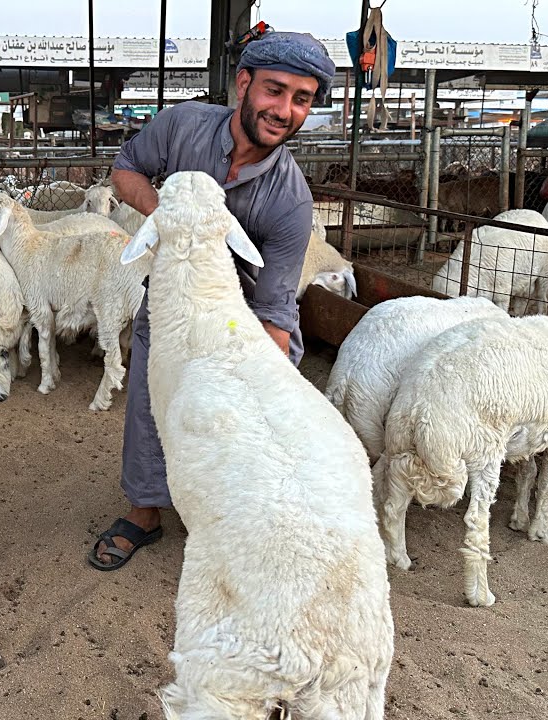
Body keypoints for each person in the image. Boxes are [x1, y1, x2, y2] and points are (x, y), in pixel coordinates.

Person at [88, 32, 337, 570]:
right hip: (172, 306)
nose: (285, 111)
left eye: (302, 99)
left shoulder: (290, 200)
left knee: (239, 418)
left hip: (239, 322)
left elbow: (275, 309)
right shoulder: (183, 126)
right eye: (275, 91)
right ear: (243, 83)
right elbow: (125, 165)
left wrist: (257, 385)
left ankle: (236, 509)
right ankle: (145, 512)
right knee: (153, 398)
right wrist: (168, 215)